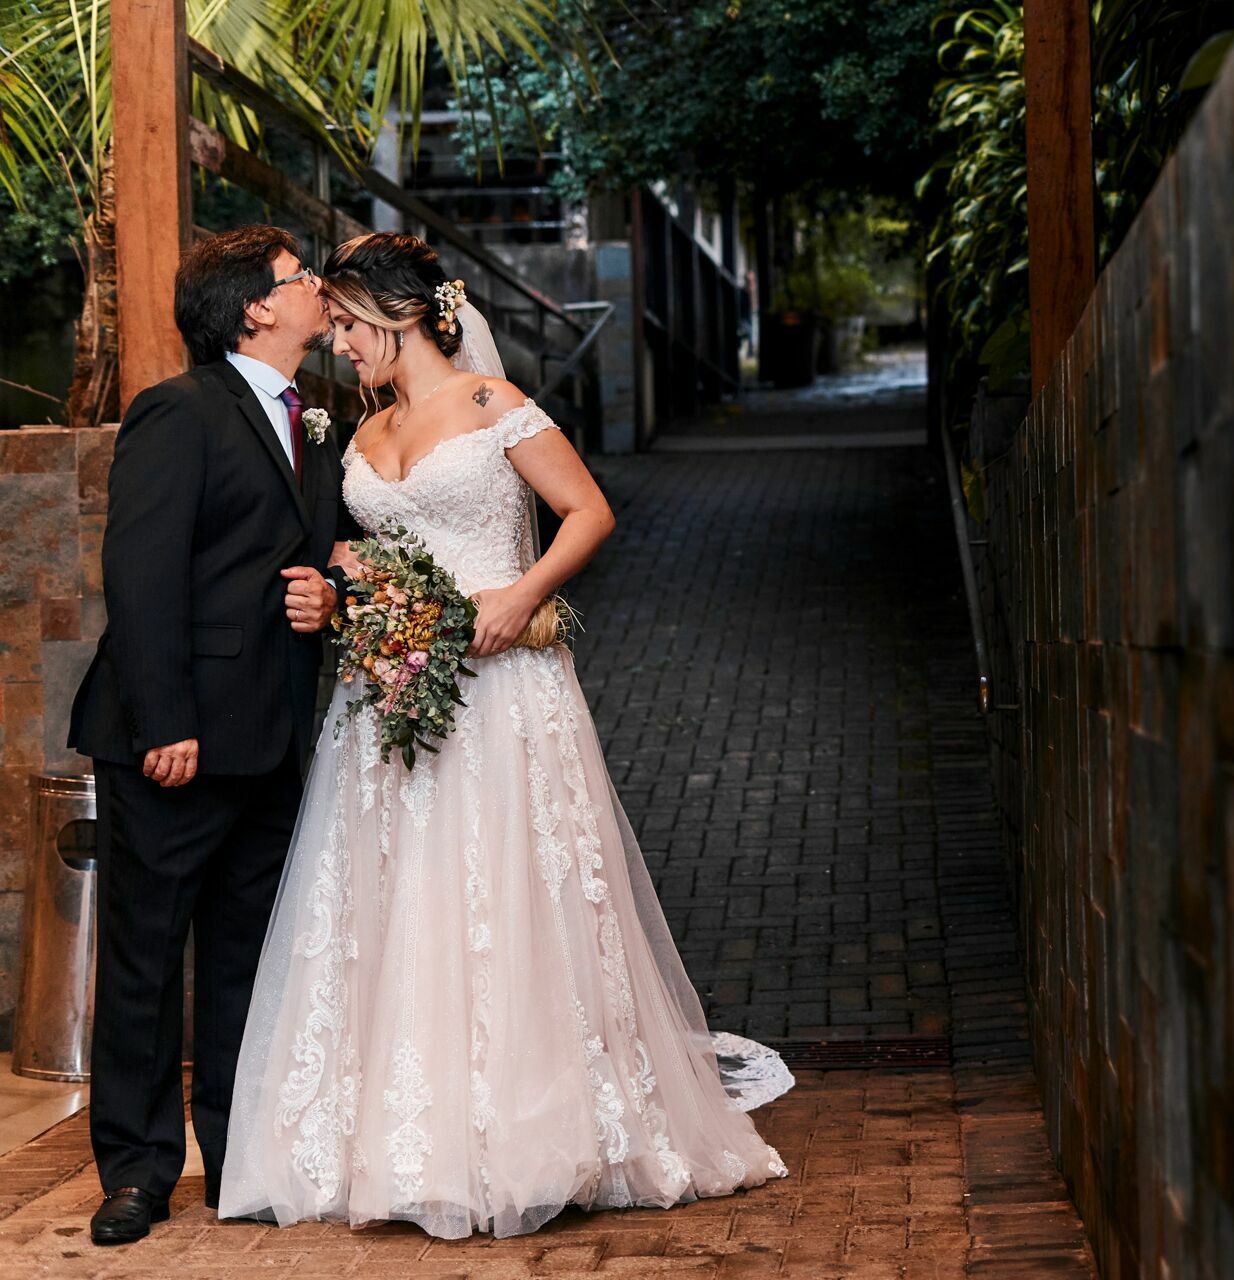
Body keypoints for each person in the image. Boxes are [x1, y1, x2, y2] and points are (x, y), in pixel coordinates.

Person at [217, 232, 792, 1239]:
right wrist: (361, 591)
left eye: (348, 325)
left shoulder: (494, 407)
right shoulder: (360, 430)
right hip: (388, 697)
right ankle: (406, 1134)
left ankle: (533, 1126)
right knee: (401, 899)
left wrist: (522, 591)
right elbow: (361, 549)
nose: (339, 344)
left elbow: (585, 512)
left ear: (396, 318)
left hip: (502, 689)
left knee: (509, 892)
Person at [68, 225, 351, 1246]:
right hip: (175, 739)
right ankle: (137, 1170)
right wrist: (165, 723)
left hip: (272, 737)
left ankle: (238, 1157)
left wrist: (328, 593)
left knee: (245, 959)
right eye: (300, 278)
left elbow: (305, 561)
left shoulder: (314, 420)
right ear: (253, 309)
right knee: (145, 959)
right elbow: (139, 574)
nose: (319, 290)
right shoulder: (177, 411)